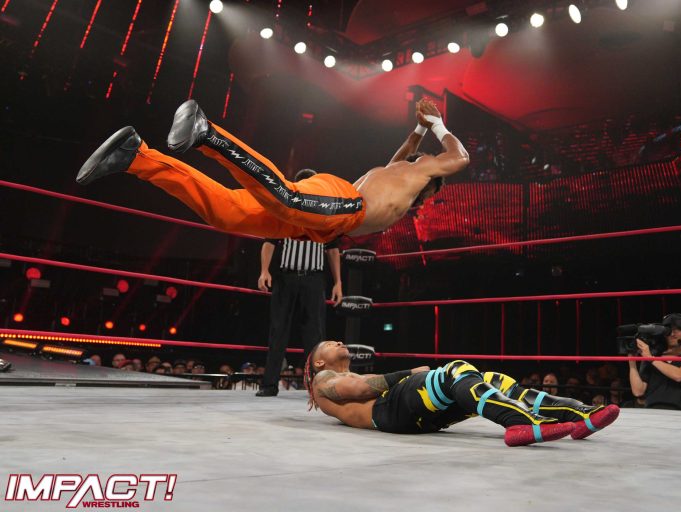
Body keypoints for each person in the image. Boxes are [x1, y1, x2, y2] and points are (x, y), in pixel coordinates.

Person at [75, 99, 469, 243]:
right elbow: (460, 157)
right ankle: (207, 132)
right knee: (287, 197)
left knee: (228, 213)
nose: (429, 199)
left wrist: (419, 128)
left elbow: (402, 152)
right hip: (346, 205)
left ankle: (136, 156)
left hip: (322, 227)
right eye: (435, 190)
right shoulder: (424, 170)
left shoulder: (398, 172)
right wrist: (437, 124)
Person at [303, 341, 620, 447]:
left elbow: (363, 382)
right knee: (455, 369)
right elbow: (359, 389)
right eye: (330, 343)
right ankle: (520, 422)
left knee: (491, 379)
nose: (339, 342)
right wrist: (410, 373)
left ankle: (579, 415)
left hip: (417, 419)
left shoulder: (353, 372)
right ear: (318, 361)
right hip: (388, 412)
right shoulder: (323, 379)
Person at [255, 173, 343, 397]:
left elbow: (333, 250)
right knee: (278, 331)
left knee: (315, 335)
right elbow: (269, 241)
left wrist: (338, 282)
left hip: (314, 279)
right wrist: (264, 270)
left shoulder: (325, 215)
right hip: (286, 277)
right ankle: (269, 384)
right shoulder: (286, 212)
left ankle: (316, 387)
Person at [627, 313, 681, 410]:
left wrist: (651, 358)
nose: (672, 334)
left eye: (678, 329)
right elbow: (638, 391)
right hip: (652, 411)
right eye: (669, 330)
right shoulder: (652, 358)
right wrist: (632, 363)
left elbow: (680, 375)